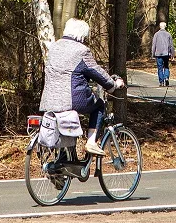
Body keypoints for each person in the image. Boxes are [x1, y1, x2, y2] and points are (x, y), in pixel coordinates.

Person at [40, 18, 125, 156]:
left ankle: (65, 158)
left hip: (49, 101)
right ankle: (91, 142)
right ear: (82, 35)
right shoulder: (81, 50)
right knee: (98, 105)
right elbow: (96, 71)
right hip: (70, 100)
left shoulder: (54, 47)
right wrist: (113, 85)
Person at [151, 21, 175, 87]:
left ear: (159, 27)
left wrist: (153, 54)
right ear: (165, 27)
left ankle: (161, 81)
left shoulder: (156, 34)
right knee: (166, 66)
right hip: (166, 53)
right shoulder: (168, 34)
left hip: (158, 54)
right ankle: (166, 77)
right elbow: (171, 45)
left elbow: (154, 45)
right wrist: (173, 54)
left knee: (160, 68)